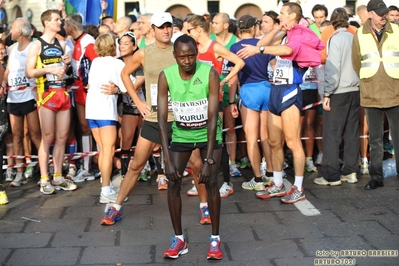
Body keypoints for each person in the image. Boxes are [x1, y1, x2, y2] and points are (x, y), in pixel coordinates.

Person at [236, 2, 324, 203]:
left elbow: (286, 50)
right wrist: (277, 28)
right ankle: (276, 183)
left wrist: (261, 49)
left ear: (292, 15)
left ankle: (299, 187)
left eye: (283, 13)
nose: (280, 16)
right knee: (274, 142)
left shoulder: (300, 33)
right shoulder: (283, 32)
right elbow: (261, 44)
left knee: (293, 142)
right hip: (275, 90)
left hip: (290, 90)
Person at [100, 11, 177, 225]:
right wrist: (137, 101)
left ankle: (204, 207)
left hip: (178, 116)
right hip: (153, 118)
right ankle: (116, 207)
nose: (166, 30)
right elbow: (125, 74)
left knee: (196, 165)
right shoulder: (144, 53)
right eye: (161, 27)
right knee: (135, 165)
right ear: (154, 30)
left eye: (169, 26)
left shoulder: (179, 50)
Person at [158, 34, 223, 260]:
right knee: (173, 181)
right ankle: (179, 239)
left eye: (191, 55)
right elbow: (162, 117)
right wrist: (166, 157)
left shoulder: (210, 73)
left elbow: (214, 116)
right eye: (182, 56)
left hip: (208, 134)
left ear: (197, 53)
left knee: (211, 181)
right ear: (175, 55)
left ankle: (215, 240)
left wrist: (208, 161)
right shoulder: (166, 76)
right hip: (182, 135)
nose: (187, 61)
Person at [26, 9, 77, 194]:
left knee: (62, 137)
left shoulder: (62, 43)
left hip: (62, 92)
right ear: (46, 23)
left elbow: (65, 69)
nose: (60, 23)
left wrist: (67, 63)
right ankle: (44, 179)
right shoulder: (36, 45)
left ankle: (58, 176)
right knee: (47, 138)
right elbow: (29, 72)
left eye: (60, 21)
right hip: (46, 94)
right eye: (56, 20)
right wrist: (49, 69)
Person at [352, 0, 399, 190]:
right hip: (371, 92)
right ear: (370, 14)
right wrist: (368, 79)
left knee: (397, 137)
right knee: (375, 140)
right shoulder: (359, 34)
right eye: (380, 13)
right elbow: (357, 63)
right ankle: (376, 177)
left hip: (395, 90)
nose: (384, 16)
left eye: (385, 13)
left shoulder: (396, 31)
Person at [313, 8, 360, 186]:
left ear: (332, 22)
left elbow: (333, 68)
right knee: (351, 133)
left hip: (338, 90)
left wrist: (327, 93)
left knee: (332, 134)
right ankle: (351, 171)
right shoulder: (354, 38)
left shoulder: (335, 39)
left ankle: (331, 175)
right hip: (355, 90)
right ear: (347, 21)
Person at [229, 15, 275, 191]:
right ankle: (270, 173)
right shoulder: (262, 45)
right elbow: (273, 65)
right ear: (254, 27)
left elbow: (233, 77)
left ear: (240, 29)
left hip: (249, 90)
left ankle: (257, 178)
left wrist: (232, 101)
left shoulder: (234, 47)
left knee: (251, 138)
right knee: (265, 136)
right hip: (266, 88)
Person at [86, 33, 132, 203]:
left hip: (91, 110)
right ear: (112, 46)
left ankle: (106, 186)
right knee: (107, 151)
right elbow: (129, 86)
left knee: (103, 150)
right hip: (105, 110)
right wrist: (118, 90)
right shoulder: (117, 63)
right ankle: (105, 190)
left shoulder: (95, 62)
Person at [2, 18, 41, 187]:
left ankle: (45, 170)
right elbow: (9, 70)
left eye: (12, 29)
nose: (10, 32)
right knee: (17, 135)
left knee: (34, 135)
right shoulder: (11, 49)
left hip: (29, 94)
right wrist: (3, 83)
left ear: (20, 31)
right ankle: (19, 172)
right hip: (13, 97)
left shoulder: (34, 46)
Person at [64, 14, 97, 182]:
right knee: (84, 128)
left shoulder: (87, 41)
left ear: (70, 27)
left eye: (65, 26)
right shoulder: (77, 41)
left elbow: (97, 63)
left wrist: (93, 83)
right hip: (79, 89)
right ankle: (87, 166)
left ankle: (89, 167)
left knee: (88, 128)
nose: (64, 29)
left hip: (87, 90)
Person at [117, 32, 145, 182]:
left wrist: (117, 90)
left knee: (149, 141)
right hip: (127, 105)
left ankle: (159, 174)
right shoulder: (116, 62)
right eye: (120, 43)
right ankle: (123, 174)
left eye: (126, 43)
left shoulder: (140, 61)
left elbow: (136, 85)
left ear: (134, 46)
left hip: (144, 104)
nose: (122, 46)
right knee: (126, 139)